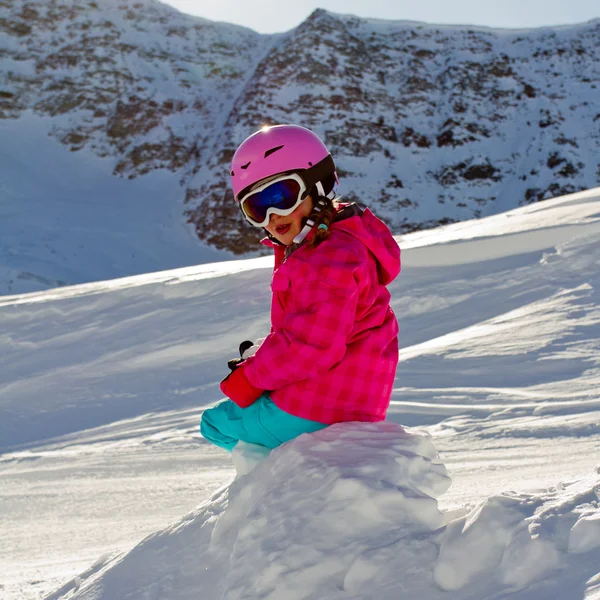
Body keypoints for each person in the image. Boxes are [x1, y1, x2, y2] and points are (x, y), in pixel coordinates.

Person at [200, 124, 401, 452]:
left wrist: (249, 379)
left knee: (216, 423)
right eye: (257, 207)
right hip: (356, 402)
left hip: (318, 408)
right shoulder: (343, 243)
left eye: (281, 196)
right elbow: (314, 328)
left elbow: (310, 347)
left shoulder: (325, 259)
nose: (272, 214)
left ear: (317, 185)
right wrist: (259, 360)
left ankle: (279, 488)